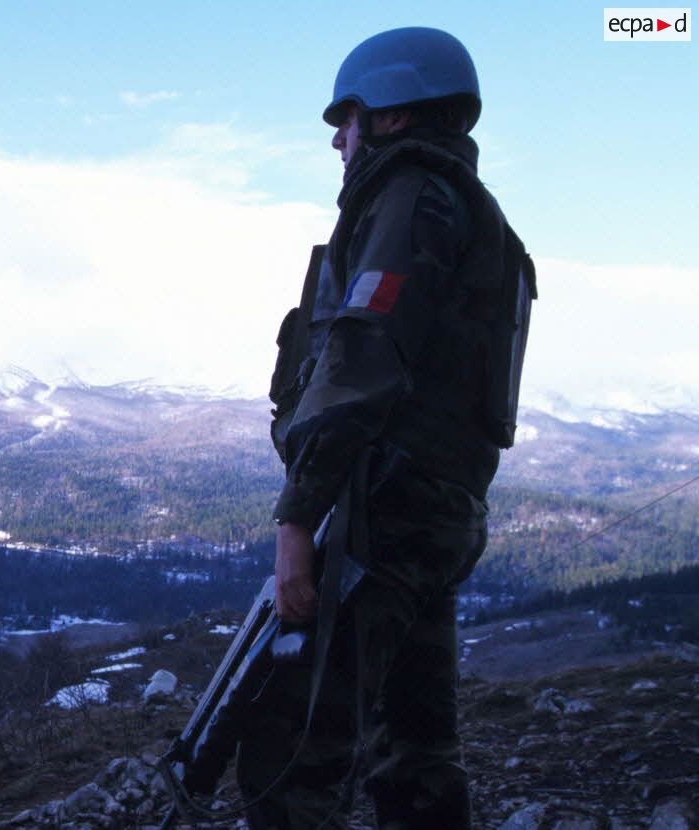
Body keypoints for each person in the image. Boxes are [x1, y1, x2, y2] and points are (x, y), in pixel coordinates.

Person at [244, 27, 532, 829]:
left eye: (350, 118)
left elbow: (361, 356)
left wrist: (298, 519)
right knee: (412, 748)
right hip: (437, 514)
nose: (339, 140)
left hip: (386, 512)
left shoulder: (408, 197)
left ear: (395, 115)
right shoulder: (480, 218)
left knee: (288, 748)